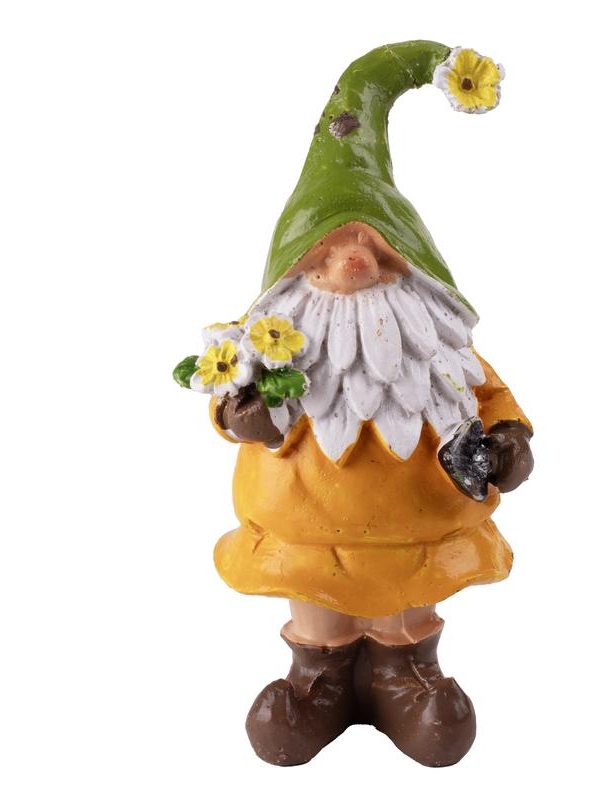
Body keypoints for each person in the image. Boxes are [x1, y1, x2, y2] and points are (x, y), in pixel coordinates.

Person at [178, 41, 533, 767]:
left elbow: (493, 398)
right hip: (304, 532)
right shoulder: (267, 345)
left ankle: (407, 672)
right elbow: (225, 401)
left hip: (419, 530)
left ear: (415, 268)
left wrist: (508, 442)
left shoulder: (442, 354)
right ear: (290, 274)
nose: (352, 268)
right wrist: (240, 415)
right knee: (316, 596)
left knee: (410, 594)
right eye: (325, 254)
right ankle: (319, 675)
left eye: (374, 250)